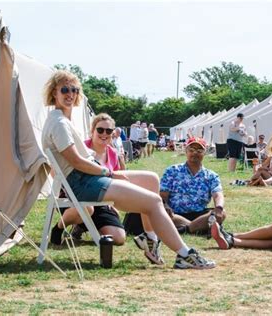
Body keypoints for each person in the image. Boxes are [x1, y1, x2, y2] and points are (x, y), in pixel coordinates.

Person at [42, 70, 215, 269]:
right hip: (84, 182)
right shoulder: (58, 123)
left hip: (88, 177)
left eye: (74, 89)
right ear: (54, 92)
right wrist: (108, 172)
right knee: (154, 201)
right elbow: (78, 162)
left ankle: (149, 238)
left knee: (151, 180)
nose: (70, 93)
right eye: (64, 89)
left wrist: (106, 171)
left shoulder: (61, 120)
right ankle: (184, 254)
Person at [51, 113, 125, 246]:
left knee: (118, 238)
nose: (104, 134)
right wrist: (62, 186)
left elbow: (116, 179)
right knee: (87, 208)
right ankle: (59, 228)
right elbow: (54, 168)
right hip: (75, 196)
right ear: (92, 131)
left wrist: (113, 203)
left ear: (113, 133)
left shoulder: (113, 153)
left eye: (108, 131)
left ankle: (81, 226)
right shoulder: (80, 148)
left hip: (101, 200)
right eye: (100, 130)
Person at [160, 137, 226, 235]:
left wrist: (219, 208)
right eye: (191, 150)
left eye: (199, 150)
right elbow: (163, 195)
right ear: (186, 151)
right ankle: (198, 228)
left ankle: (185, 229)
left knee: (222, 213)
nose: (195, 153)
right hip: (174, 214)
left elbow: (218, 194)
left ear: (205, 153)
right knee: (160, 213)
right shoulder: (172, 171)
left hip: (199, 215)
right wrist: (165, 205)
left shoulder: (211, 175)